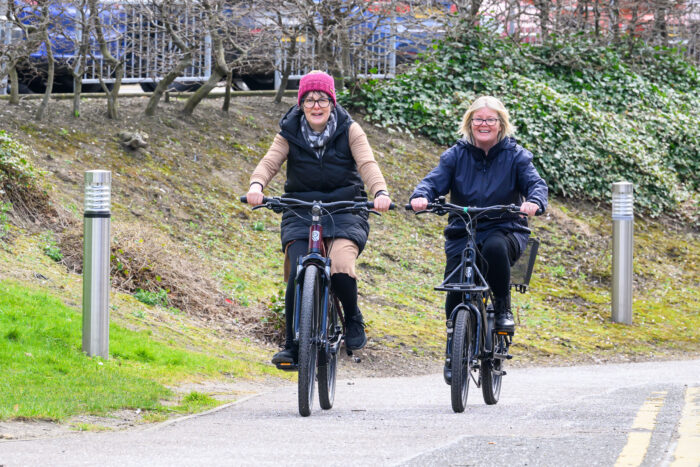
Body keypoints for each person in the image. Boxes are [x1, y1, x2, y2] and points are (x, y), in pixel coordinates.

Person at [246, 70, 392, 365]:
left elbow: (367, 163)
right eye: (310, 99)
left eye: (322, 99)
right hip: (300, 209)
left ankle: (352, 317)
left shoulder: (350, 129)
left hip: (345, 209)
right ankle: (292, 344)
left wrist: (380, 191)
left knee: (339, 265)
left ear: (332, 102)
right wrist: (256, 185)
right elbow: (270, 161)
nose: (316, 106)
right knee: (298, 271)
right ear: (301, 103)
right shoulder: (290, 130)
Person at [410, 95, 548, 339]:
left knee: (495, 247)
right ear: (469, 123)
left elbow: (535, 183)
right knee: (454, 286)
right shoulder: (455, 155)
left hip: (505, 228)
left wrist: (534, 202)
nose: (484, 124)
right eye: (478, 119)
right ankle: (455, 341)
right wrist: (421, 196)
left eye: (490, 120)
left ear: (501, 124)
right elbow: (433, 181)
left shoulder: (516, 155)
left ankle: (504, 307)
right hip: (464, 230)